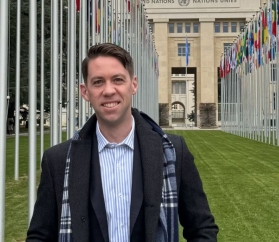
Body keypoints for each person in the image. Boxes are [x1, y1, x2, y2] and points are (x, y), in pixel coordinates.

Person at [27, 43, 218, 241]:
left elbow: (202, 229)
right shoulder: (57, 160)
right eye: (98, 82)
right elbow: (40, 236)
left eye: (117, 79)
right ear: (85, 91)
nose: (109, 90)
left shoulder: (173, 152)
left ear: (133, 84)